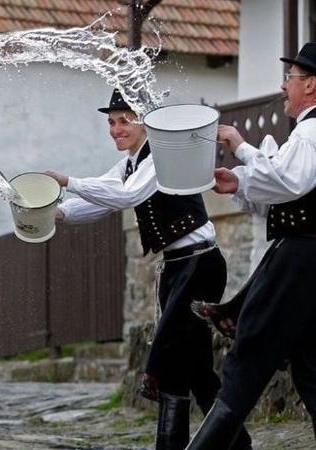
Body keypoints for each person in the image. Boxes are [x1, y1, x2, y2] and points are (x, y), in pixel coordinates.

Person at [45, 90, 251, 450]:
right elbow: (105, 199)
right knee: (198, 369)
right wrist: (57, 212)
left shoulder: (160, 155)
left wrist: (67, 181)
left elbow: (126, 197)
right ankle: (239, 446)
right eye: (111, 122)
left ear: (144, 122)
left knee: (169, 358)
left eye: (124, 120)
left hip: (199, 263)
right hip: (176, 267)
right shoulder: (128, 164)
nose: (115, 128)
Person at [186, 42, 316, 449]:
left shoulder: (313, 130)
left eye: (290, 79)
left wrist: (240, 145)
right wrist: (239, 180)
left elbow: (287, 182)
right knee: (312, 365)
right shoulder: (307, 131)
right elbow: (284, 184)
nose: (283, 87)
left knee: (252, 347)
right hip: (304, 257)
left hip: (301, 257)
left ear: (311, 84)